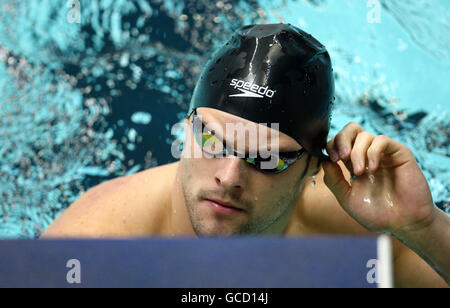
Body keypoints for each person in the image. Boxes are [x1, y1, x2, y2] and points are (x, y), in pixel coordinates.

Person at [41, 24, 449, 287]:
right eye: (214, 141)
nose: (230, 176)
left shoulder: (357, 228)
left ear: (314, 166)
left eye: (268, 159)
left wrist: (422, 224)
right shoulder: (94, 249)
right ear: (186, 128)